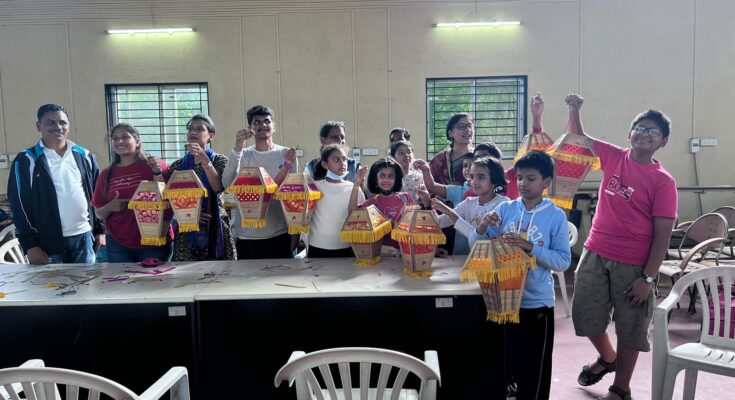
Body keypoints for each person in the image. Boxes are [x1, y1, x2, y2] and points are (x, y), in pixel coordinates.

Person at [568, 95, 677, 400]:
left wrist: (648, 278)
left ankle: (621, 388)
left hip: (634, 265)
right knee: (585, 316)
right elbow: (579, 140)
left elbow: (662, 236)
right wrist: (574, 110)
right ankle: (608, 358)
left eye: (653, 131)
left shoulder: (663, 182)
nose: (645, 133)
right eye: (639, 128)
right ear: (629, 134)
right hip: (595, 253)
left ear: (663, 142)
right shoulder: (614, 157)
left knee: (630, 328)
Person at [469, 150, 571, 400]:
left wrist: (530, 247)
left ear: (546, 182)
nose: (524, 184)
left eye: (531, 178)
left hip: (536, 303)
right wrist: (482, 227)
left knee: (534, 371)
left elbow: (563, 261)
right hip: (503, 301)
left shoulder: (555, 215)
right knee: (507, 364)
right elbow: (476, 243)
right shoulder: (507, 208)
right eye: (520, 178)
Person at [8, 104, 104, 264]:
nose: (57, 127)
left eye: (62, 122)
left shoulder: (84, 155)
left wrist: (101, 230)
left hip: (85, 238)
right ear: (39, 126)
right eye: (50, 122)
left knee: (87, 287)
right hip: (46, 242)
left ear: (68, 126)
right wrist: (30, 245)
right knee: (52, 288)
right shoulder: (26, 159)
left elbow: (98, 195)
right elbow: (19, 205)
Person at [222, 105, 298, 259]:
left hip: (280, 232)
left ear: (274, 127)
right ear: (250, 128)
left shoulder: (287, 155)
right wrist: (237, 147)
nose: (263, 125)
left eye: (267, 121)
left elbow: (294, 196)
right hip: (247, 235)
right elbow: (226, 183)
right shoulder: (242, 154)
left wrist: (296, 234)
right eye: (257, 122)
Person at [91, 123, 173, 262]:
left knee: (155, 283)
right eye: (115, 138)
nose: (119, 141)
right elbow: (99, 213)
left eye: (125, 137)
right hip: (118, 244)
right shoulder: (106, 174)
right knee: (121, 283)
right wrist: (110, 207)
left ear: (137, 141)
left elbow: (170, 202)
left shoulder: (154, 165)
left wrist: (157, 173)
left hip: (154, 241)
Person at [167, 114, 236, 261]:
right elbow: (168, 197)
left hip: (215, 226)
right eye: (190, 129)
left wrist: (206, 162)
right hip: (186, 228)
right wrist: (191, 213)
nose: (193, 132)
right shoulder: (178, 166)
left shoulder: (220, 160)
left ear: (210, 136)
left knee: (219, 276)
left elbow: (218, 187)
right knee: (187, 278)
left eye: (199, 129)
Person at [431, 156, 509, 255]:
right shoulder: (468, 203)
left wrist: (450, 213)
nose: (474, 182)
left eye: (481, 177)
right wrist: (427, 202)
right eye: (472, 177)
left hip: (491, 264)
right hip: (463, 261)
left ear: (494, 179)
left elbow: (478, 239)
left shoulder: (503, 204)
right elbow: (439, 222)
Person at [352, 158, 429, 251]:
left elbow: (418, 225)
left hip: (404, 253)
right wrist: (356, 184)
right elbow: (352, 214)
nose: (386, 180)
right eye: (382, 176)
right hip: (380, 253)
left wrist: (426, 200)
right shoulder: (371, 203)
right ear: (376, 179)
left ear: (396, 179)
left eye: (390, 176)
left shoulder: (406, 198)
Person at [308, 144, 365, 258]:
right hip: (317, 245)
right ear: (324, 164)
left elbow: (358, 216)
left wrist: (357, 184)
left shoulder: (354, 188)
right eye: (336, 159)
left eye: (344, 159)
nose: (342, 163)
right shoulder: (315, 187)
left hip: (346, 246)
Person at [429, 113, 475, 185]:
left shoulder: (479, 157)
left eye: (470, 126)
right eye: (461, 127)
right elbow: (429, 186)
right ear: (450, 133)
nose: (467, 130)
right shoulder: (439, 160)